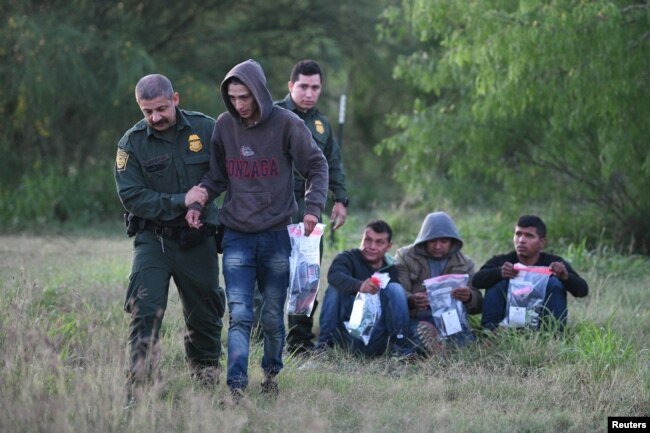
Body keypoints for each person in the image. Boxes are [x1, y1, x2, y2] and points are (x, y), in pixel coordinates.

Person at [185, 59, 328, 400]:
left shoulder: (288, 124)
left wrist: (313, 209)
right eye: (232, 97)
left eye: (244, 96)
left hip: (277, 235)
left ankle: (271, 375)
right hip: (236, 236)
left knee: (273, 316)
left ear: (260, 92)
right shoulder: (224, 126)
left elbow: (317, 165)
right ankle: (235, 387)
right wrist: (197, 202)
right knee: (240, 315)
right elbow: (217, 177)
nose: (239, 104)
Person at [114, 74, 226, 403]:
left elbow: (226, 174)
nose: (155, 117)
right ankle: (139, 389)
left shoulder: (206, 129)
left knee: (205, 315)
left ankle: (206, 384)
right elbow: (132, 196)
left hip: (199, 238)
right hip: (153, 240)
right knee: (145, 310)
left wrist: (209, 203)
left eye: (161, 108)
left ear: (175, 99)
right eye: (147, 111)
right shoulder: (131, 143)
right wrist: (181, 200)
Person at [252, 59, 349, 354]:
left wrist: (341, 199)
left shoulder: (321, 123)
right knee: (267, 270)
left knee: (306, 273)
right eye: (303, 86)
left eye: (315, 87)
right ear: (291, 86)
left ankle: (299, 339)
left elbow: (333, 163)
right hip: (273, 201)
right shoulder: (272, 115)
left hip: (309, 202)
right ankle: (258, 336)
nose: (309, 93)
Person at [472, 215, 589, 331]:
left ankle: (553, 336)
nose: (521, 240)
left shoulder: (553, 263)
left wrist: (566, 277)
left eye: (529, 236)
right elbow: (476, 280)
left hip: (539, 323)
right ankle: (489, 334)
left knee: (555, 284)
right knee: (496, 281)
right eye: (518, 234)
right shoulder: (503, 261)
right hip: (504, 326)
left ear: (542, 242)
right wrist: (499, 272)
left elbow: (583, 290)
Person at [315, 220, 414, 357]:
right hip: (348, 331)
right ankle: (323, 348)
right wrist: (359, 286)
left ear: (389, 246)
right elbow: (334, 275)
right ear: (362, 239)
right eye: (368, 240)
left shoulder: (393, 268)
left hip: (378, 335)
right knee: (335, 289)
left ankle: (401, 350)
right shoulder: (348, 258)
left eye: (379, 242)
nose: (372, 246)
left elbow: (401, 304)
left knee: (396, 289)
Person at [395, 211, 482, 349]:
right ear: (424, 240)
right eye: (432, 241)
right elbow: (397, 290)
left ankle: (439, 346)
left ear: (452, 241)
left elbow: (477, 304)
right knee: (416, 334)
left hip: (451, 320)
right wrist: (411, 300)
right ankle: (433, 344)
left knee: (465, 343)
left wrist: (469, 296)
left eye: (444, 241)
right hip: (417, 318)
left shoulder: (465, 263)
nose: (437, 246)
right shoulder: (405, 257)